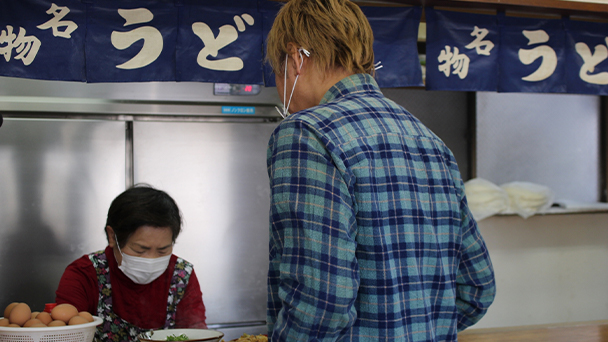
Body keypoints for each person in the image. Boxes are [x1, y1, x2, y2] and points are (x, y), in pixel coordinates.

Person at [265, 0, 496, 341]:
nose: (280, 86)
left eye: (277, 70)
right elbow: (477, 288)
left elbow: (322, 299)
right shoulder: (430, 141)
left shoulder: (307, 133)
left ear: (296, 57)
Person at [55, 185, 207, 342]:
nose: (151, 260)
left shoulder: (181, 276)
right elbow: (66, 332)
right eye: (140, 250)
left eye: (162, 251)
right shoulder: (84, 274)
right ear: (112, 236)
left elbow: (196, 334)